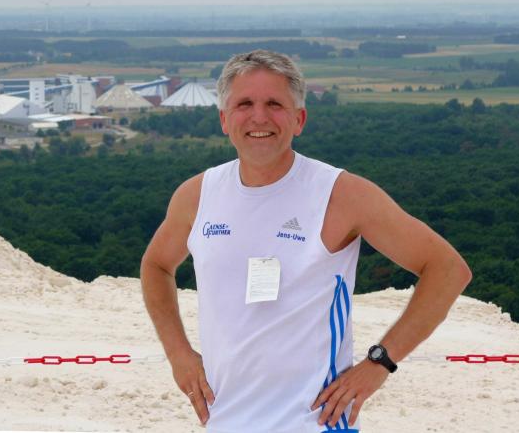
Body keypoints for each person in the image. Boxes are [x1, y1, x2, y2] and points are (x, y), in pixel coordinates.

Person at [140, 50, 472, 432]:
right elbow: (156, 265)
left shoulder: (340, 194)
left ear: (299, 119)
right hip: (224, 421)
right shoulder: (197, 195)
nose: (259, 117)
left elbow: (448, 269)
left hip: (313, 423)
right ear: (224, 119)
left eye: (274, 104)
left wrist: (380, 362)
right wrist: (178, 353)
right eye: (244, 104)